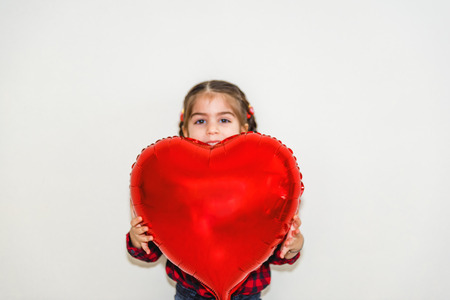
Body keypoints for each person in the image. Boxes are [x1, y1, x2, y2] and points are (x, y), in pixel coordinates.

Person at [126, 80, 304, 300]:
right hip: (190, 294)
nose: (212, 129)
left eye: (224, 120)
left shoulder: (263, 180)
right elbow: (152, 249)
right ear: (184, 129)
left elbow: (276, 249)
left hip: (247, 295)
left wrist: (294, 245)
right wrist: (137, 238)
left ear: (244, 128)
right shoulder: (171, 184)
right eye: (200, 120)